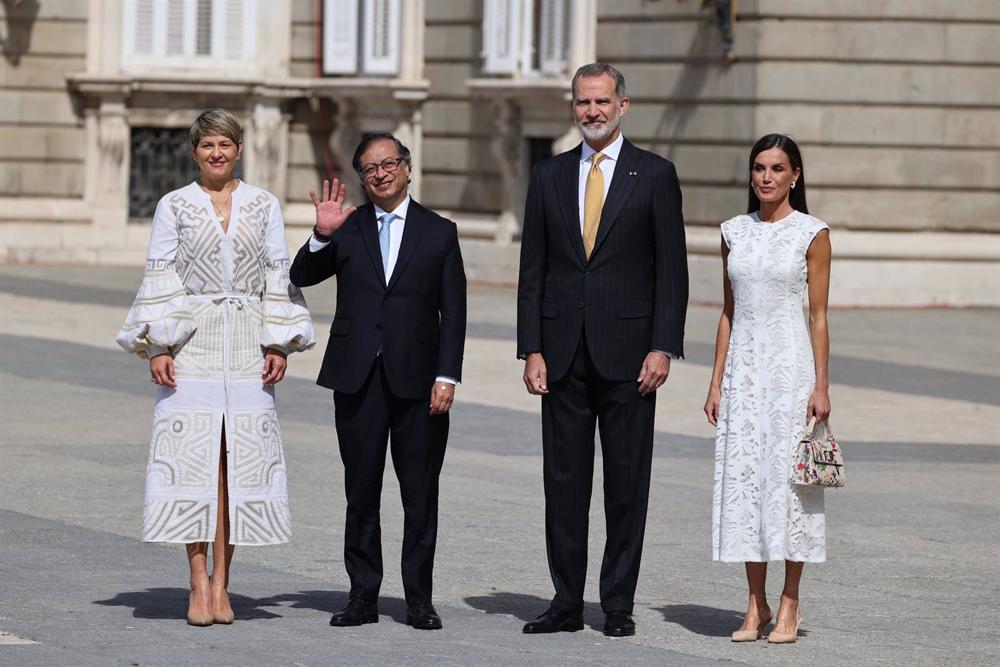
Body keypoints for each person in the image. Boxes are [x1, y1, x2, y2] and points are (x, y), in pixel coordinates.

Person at [117, 109, 315, 626]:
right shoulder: (174, 205)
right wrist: (158, 345)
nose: (217, 154)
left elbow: (278, 272)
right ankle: (197, 582)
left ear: (240, 149)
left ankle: (224, 585)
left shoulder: (264, 204)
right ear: (194, 151)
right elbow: (159, 273)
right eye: (207, 146)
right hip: (193, 344)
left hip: (248, 342)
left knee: (237, 466)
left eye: (225, 145)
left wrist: (279, 343)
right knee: (193, 462)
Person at [516, 63, 689, 637]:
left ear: (623, 105)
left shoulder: (655, 174)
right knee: (563, 484)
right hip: (562, 352)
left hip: (630, 354)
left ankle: (617, 603)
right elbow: (532, 269)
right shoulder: (547, 175)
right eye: (583, 102)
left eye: (601, 101)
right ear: (574, 107)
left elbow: (672, 270)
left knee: (625, 485)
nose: (592, 111)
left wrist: (663, 345)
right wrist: (531, 348)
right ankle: (566, 600)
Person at [289, 134, 467, 631]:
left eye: (389, 163)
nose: (381, 173)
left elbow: (453, 312)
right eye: (369, 168)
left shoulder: (440, 232)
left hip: (420, 381)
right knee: (361, 490)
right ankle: (363, 595)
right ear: (361, 177)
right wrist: (322, 233)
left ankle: (418, 600)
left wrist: (447, 375)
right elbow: (301, 273)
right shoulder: (349, 227)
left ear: (407, 168)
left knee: (420, 494)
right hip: (358, 377)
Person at [703, 133, 832, 644]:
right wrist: (715, 382)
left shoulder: (812, 234)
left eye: (778, 169)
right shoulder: (733, 232)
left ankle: (789, 602)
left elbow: (819, 316)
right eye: (759, 168)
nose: (766, 177)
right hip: (743, 375)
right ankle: (753, 605)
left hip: (791, 371)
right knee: (748, 484)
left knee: (792, 486)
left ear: (795, 175)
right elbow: (728, 312)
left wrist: (821, 385)